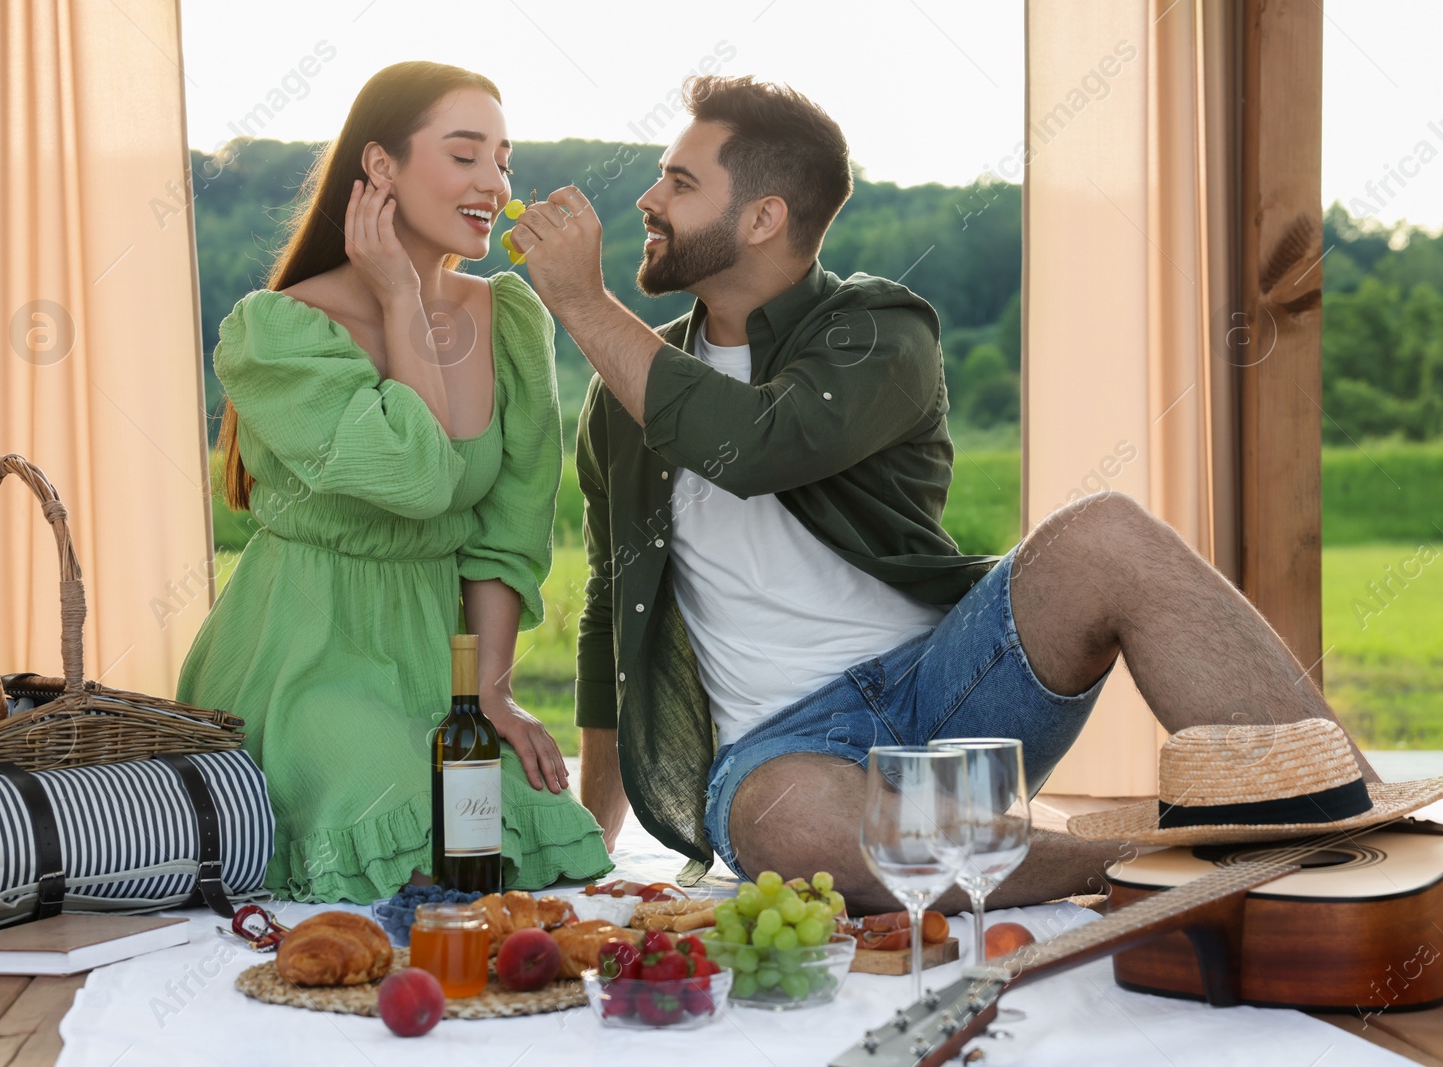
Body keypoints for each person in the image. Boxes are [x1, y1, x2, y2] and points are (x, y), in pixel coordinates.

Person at [500, 73, 1382, 914]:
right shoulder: (621, 396)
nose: (648, 201)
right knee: (789, 823)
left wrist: (581, 301)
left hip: (953, 694)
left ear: (763, 216)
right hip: (786, 754)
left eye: (679, 182)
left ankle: (1356, 825)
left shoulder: (880, 328)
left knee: (1104, 531)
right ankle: (1148, 862)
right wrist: (597, 844)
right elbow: (613, 615)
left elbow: (756, 443)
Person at [177, 60, 612, 904]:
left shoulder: (510, 320)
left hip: (440, 663)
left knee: (524, 844)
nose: (495, 182)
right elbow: (416, 477)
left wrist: (491, 696)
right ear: (380, 167)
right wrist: (403, 303)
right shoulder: (280, 333)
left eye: (504, 158)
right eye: (465, 155)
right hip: (309, 654)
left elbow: (508, 531)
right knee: (419, 842)